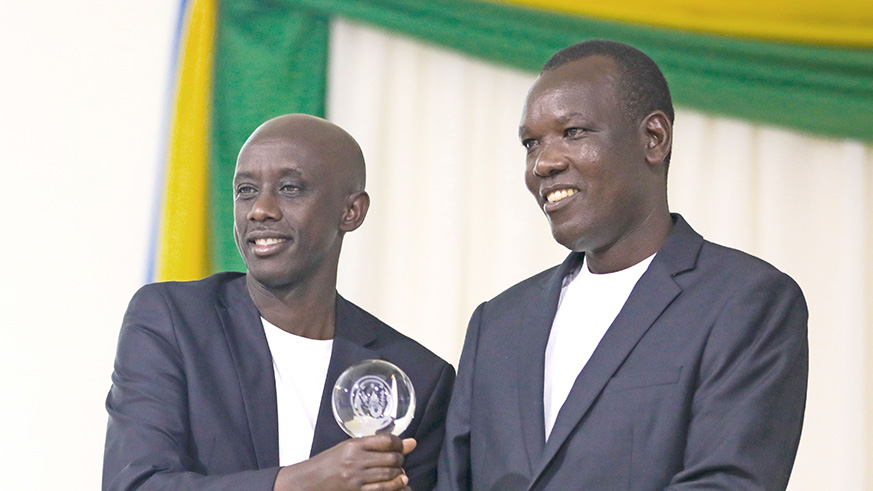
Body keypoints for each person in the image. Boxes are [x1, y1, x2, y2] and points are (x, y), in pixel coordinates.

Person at [437, 40, 808, 490]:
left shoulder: (745, 301)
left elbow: (728, 482)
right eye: (531, 143)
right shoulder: (497, 323)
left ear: (654, 138)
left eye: (573, 132)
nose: (544, 163)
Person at [104, 114, 455, 490]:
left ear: (351, 211)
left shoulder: (413, 377)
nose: (260, 209)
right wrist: (307, 480)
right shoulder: (174, 321)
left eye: (290, 188)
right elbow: (136, 484)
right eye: (246, 190)